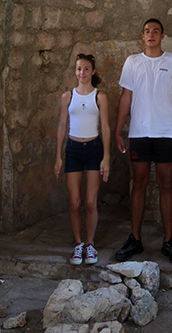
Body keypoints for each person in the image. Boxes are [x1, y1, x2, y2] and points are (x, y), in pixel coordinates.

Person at [114, 18, 172, 265]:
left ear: (162, 36)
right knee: (139, 184)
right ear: (142, 37)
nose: (151, 35)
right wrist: (118, 130)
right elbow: (126, 97)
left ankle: (168, 240)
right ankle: (135, 238)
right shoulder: (133, 62)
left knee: (166, 184)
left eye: (155, 31)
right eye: (147, 31)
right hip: (139, 133)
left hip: (166, 133)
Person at [54, 53, 110, 266]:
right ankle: (78, 244)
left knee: (89, 202)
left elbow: (105, 127)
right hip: (74, 150)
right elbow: (62, 126)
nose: (82, 73)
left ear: (93, 71)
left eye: (87, 69)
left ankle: (90, 244)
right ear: (74, 71)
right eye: (79, 69)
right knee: (74, 201)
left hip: (94, 149)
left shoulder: (100, 97)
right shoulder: (67, 97)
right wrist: (58, 156)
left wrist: (106, 157)